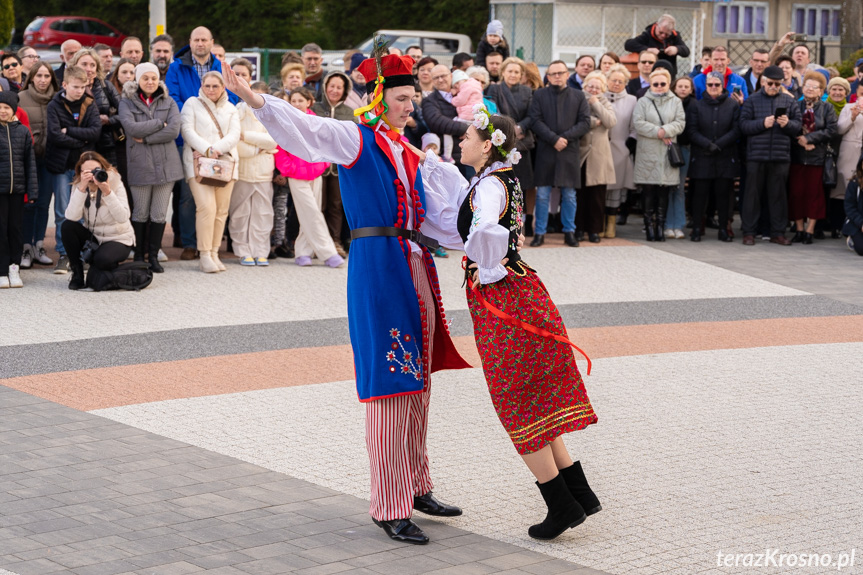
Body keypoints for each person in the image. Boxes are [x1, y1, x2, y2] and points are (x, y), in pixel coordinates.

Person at [224, 52, 471, 545]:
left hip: (411, 260)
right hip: (379, 267)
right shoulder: (355, 137)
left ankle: (416, 484)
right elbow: (308, 130)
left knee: (416, 378)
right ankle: (389, 502)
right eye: (402, 99)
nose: (409, 107)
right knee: (389, 382)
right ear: (380, 99)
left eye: (411, 99)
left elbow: (437, 212)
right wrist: (258, 101)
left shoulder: (404, 148)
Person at [418, 108, 599, 540]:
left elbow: (485, 232)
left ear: (487, 146)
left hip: (505, 301)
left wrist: (487, 266)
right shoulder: (495, 181)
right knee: (535, 399)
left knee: (516, 400)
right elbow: (468, 224)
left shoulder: (490, 189)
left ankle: (561, 507)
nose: (460, 142)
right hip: (519, 294)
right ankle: (579, 494)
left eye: (466, 137)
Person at [165, 26, 237, 261]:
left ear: (211, 42)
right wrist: (194, 112)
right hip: (189, 140)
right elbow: (173, 99)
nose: (200, 43)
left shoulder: (222, 67)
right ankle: (189, 242)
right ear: (190, 42)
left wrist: (217, 146)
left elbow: (232, 98)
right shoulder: (177, 67)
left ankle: (212, 248)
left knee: (217, 200)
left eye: (204, 39)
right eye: (196, 39)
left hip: (220, 147)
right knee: (188, 196)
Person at [119, 62, 183, 273]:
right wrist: (158, 124)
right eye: (145, 78)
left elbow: (173, 131)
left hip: (167, 166)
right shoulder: (126, 102)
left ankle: (153, 255)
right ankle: (138, 254)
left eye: (153, 78)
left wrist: (146, 139)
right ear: (138, 80)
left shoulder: (169, 101)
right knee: (140, 212)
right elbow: (130, 127)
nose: (150, 82)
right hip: (141, 164)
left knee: (158, 213)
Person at [275, 87, 343, 268]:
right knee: (311, 212)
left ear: (309, 102)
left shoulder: (316, 121)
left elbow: (326, 144)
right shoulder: (284, 122)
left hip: (316, 173)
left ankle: (303, 252)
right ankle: (329, 253)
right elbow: (279, 149)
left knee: (309, 213)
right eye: (293, 101)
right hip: (296, 175)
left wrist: (324, 164)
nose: (296, 104)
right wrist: (288, 169)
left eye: (300, 100)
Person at [180, 71, 240, 273]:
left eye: (216, 86)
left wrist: (216, 150)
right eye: (208, 86)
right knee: (206, 207)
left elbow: (234, 134)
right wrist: (207, 150)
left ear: (223, 87)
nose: (211, 90)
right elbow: (187, 130)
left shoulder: (231, 108)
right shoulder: (192, 104)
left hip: (225, 163)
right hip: (198, 164)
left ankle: (214, 252)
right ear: (202, 86)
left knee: (221, 211)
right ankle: (204, 254)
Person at [528, 60, 591, 247]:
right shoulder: (539, 95)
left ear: (566, 74)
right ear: (547, 77)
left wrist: (564, 138)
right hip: (547, 150)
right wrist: (554, 139)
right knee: (542, 195)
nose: (557, 76)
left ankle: (569, 232)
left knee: (570, 195)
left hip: (569, 150)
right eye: (553, 73)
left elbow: (585, 122)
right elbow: (535, 120)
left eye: (560, 73)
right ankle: (540, 232)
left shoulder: (578, 96)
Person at [45, 65, 102, 273]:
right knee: (63, 211)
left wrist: (69, 130)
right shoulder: (54, 105)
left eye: (83, 87)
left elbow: (95, 132)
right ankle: (64, 253)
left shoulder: (90, 103)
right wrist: (81, 139)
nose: (79, 91)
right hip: (61, 165)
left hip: (83, 168)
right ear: (65, 85)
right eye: (76, 87)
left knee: (83, 211)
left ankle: (80, 253)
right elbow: (53, 135)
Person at [739, 65, 802, 246]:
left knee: (778, 197)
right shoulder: (752, 100)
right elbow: (743, 126)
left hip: (780, 156)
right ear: (764, 81)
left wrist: (787, 124)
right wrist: (762, 124)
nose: (774, 87)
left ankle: (777, 233)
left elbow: (798, 127)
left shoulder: (789, 101)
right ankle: (749, 232)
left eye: (777, 84)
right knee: (752, 196)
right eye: (771, 83)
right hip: (756, 156)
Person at [62, 152, 134, 289]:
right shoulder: (79, 184)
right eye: (87, 172)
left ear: (103, 169)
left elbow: (123, 217)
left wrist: (107, 193)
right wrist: (81, 189)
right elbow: (72, 217)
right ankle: (77, 273)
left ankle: (104, 266)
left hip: (118, 238)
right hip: (94, 237)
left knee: (101, 260)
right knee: (67, 226)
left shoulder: (115, 182)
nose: (92, 175)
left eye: (96, 170)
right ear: (80, 172)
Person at [686, 71, 741, 242]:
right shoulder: (696, 105)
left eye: (717, 84)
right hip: (703, 155)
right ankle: (696, 228)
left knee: (723, 195)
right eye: (710, 84)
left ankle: (723, 229)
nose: (714, 87)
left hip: (724, 156)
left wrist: (720, 144)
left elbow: (736, 129)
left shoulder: (732, 105)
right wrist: (707, 144)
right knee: (700, 195)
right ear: (706, 85)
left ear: (722, 85)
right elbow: (692, 130)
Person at [632, 68, 686, 242]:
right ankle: (649, 228)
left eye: (663, 84)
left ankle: (660, 228)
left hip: (666, 152)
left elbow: (680, 122)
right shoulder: (643, 101)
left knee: (664, 192)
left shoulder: (676, 101)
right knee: (648, 191)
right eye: (656, 84)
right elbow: (638, 123)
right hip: (647, 151)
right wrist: (658, 132)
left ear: (668, 84)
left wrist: (666, 130)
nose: (659, 87)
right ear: (650, 84)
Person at [230, 81, 278, 266]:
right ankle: (243, 251)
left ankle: (261, 251)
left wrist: (248, 137)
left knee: (263, 213)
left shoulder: (271, 113)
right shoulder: (238, 111)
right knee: (240, 213)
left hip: (264, 172)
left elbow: (273, 142)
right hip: (243, 170)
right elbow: (236, 140)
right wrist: (258, 149)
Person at [486, 57, 535, 235]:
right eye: (510, 71)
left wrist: (520, 127)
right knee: (504, 184)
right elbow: (492, 110)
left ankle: (525, 221)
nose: (513, 75)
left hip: (522, 142)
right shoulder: (494, 89)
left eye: (516, 72)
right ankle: (504, 221)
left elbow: (532, 114)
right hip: (502, 141)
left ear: (521, 75)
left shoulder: (527, 92)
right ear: (503, 72)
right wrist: (508, 128)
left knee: (524, 185)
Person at [788, 72, 837, 244]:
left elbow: (831, 130)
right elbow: (790, 127)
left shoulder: (827, 108)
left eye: (814, 87)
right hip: (797, 157)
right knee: (796, 194)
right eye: (807, 85)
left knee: (814, 195)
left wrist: (810, 139)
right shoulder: (795, 105)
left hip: (817, 158)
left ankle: (810, 230)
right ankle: (799, 229)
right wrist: (801, 142)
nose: (809, 89)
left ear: (821, 91)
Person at [18, 62, 58, 269]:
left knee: (43, 203)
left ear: (52, 78)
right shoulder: (21, 99)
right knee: (28, 204)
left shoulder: (58, 97)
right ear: (31, 77)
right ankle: (26, 247)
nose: (43, 80)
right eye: (39, 75)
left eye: (47, 76)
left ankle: (39, 245)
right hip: (28, 159)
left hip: (50, 159)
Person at [313, 72, 357, 257]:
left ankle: (335, 241)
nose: (335, 90)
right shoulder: (314, 108)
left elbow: (353, 138)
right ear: (325, 87)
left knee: (336, 205)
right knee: (317, 205)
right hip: (317, 165)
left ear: (345, 90)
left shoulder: (349, 112)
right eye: (332, 86)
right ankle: (317, 244)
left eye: (339, 87)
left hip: (339, 167)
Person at [0, 91, 38, 289]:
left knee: (16, 229)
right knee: (1, 229)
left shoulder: (22, 131)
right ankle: (1, 270)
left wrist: (32, 192)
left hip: (17, 191)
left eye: (6, 107)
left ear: (13, 110)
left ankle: (14, 267)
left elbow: (30, 163)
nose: (2, 111)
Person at [576, 72, 616, 243]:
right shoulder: (578, 101)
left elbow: (610, 122)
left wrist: (596, 104)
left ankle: (594, 230)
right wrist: (593, 122)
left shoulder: (605, 102)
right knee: (580, 195)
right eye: (590, 86)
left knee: (597, 196)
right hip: (581, 154)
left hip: (599, 156)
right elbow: (577, 121)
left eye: (597, 87)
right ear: (584, 87)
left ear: (603, 89)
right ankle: (578, 229)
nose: (593, 89)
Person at [69, 48, 122, 168]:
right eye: (84, 64)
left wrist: (108, 120)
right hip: (80, 148)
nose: (88, 69)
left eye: (92, 65)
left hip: (106, 146)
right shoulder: (68, 88)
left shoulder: (106, 86)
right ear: (74, 66)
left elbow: (125, 114)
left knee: (108, 183)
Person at [603, 64, 636, 238]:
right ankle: (599, 222)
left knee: (615, 189)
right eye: (614, 80)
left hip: (621, 148)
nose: (616, 83)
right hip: (601, 149)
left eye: (620, 81)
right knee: (601, 187)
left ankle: (611, 223)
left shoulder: (632, 100)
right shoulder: (599, 96)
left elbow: (634, 125)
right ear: (607, 80)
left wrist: (630, 143)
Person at [423, 65, 471, 177]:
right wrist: (465, 129)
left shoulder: (463, 93)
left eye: (443, 76)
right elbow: (435, 121)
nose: (440, 80)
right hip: (447, 158)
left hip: (469, 154)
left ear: (450, 76)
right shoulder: (429, 101)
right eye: (436, 77)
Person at [667, 76, 695, 239]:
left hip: (683, 149)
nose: (683, 89)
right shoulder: (667, 103)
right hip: (666, 147)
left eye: (686, 86)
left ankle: (678, 225)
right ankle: (666, 224)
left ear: (691, 89)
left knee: (678, 188)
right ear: (674, 88)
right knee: (666, 187)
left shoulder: (695, 106)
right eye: (680, 86)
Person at [624, 14, 690, 77]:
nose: (663, 36)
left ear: (671, 31)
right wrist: (647, 50)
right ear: (657, 25)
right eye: (661, 32)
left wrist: (676, 49)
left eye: (667, 34)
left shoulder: (675, 36)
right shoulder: (648, 35)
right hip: (651, 73)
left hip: (669, 73)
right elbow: (628, 44)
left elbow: (686, 51)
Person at [836, 84, 863, 236]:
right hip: (849, 152)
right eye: (861, 93)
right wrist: (853, 116)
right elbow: (839, 129)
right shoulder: (848, 108)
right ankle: (845, 226)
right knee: (847, 189)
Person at [843, 156, 863, 255]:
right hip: (856, 222)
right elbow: (849, 207)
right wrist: (861, 223)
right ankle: (852, 239)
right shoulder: (854, 183)